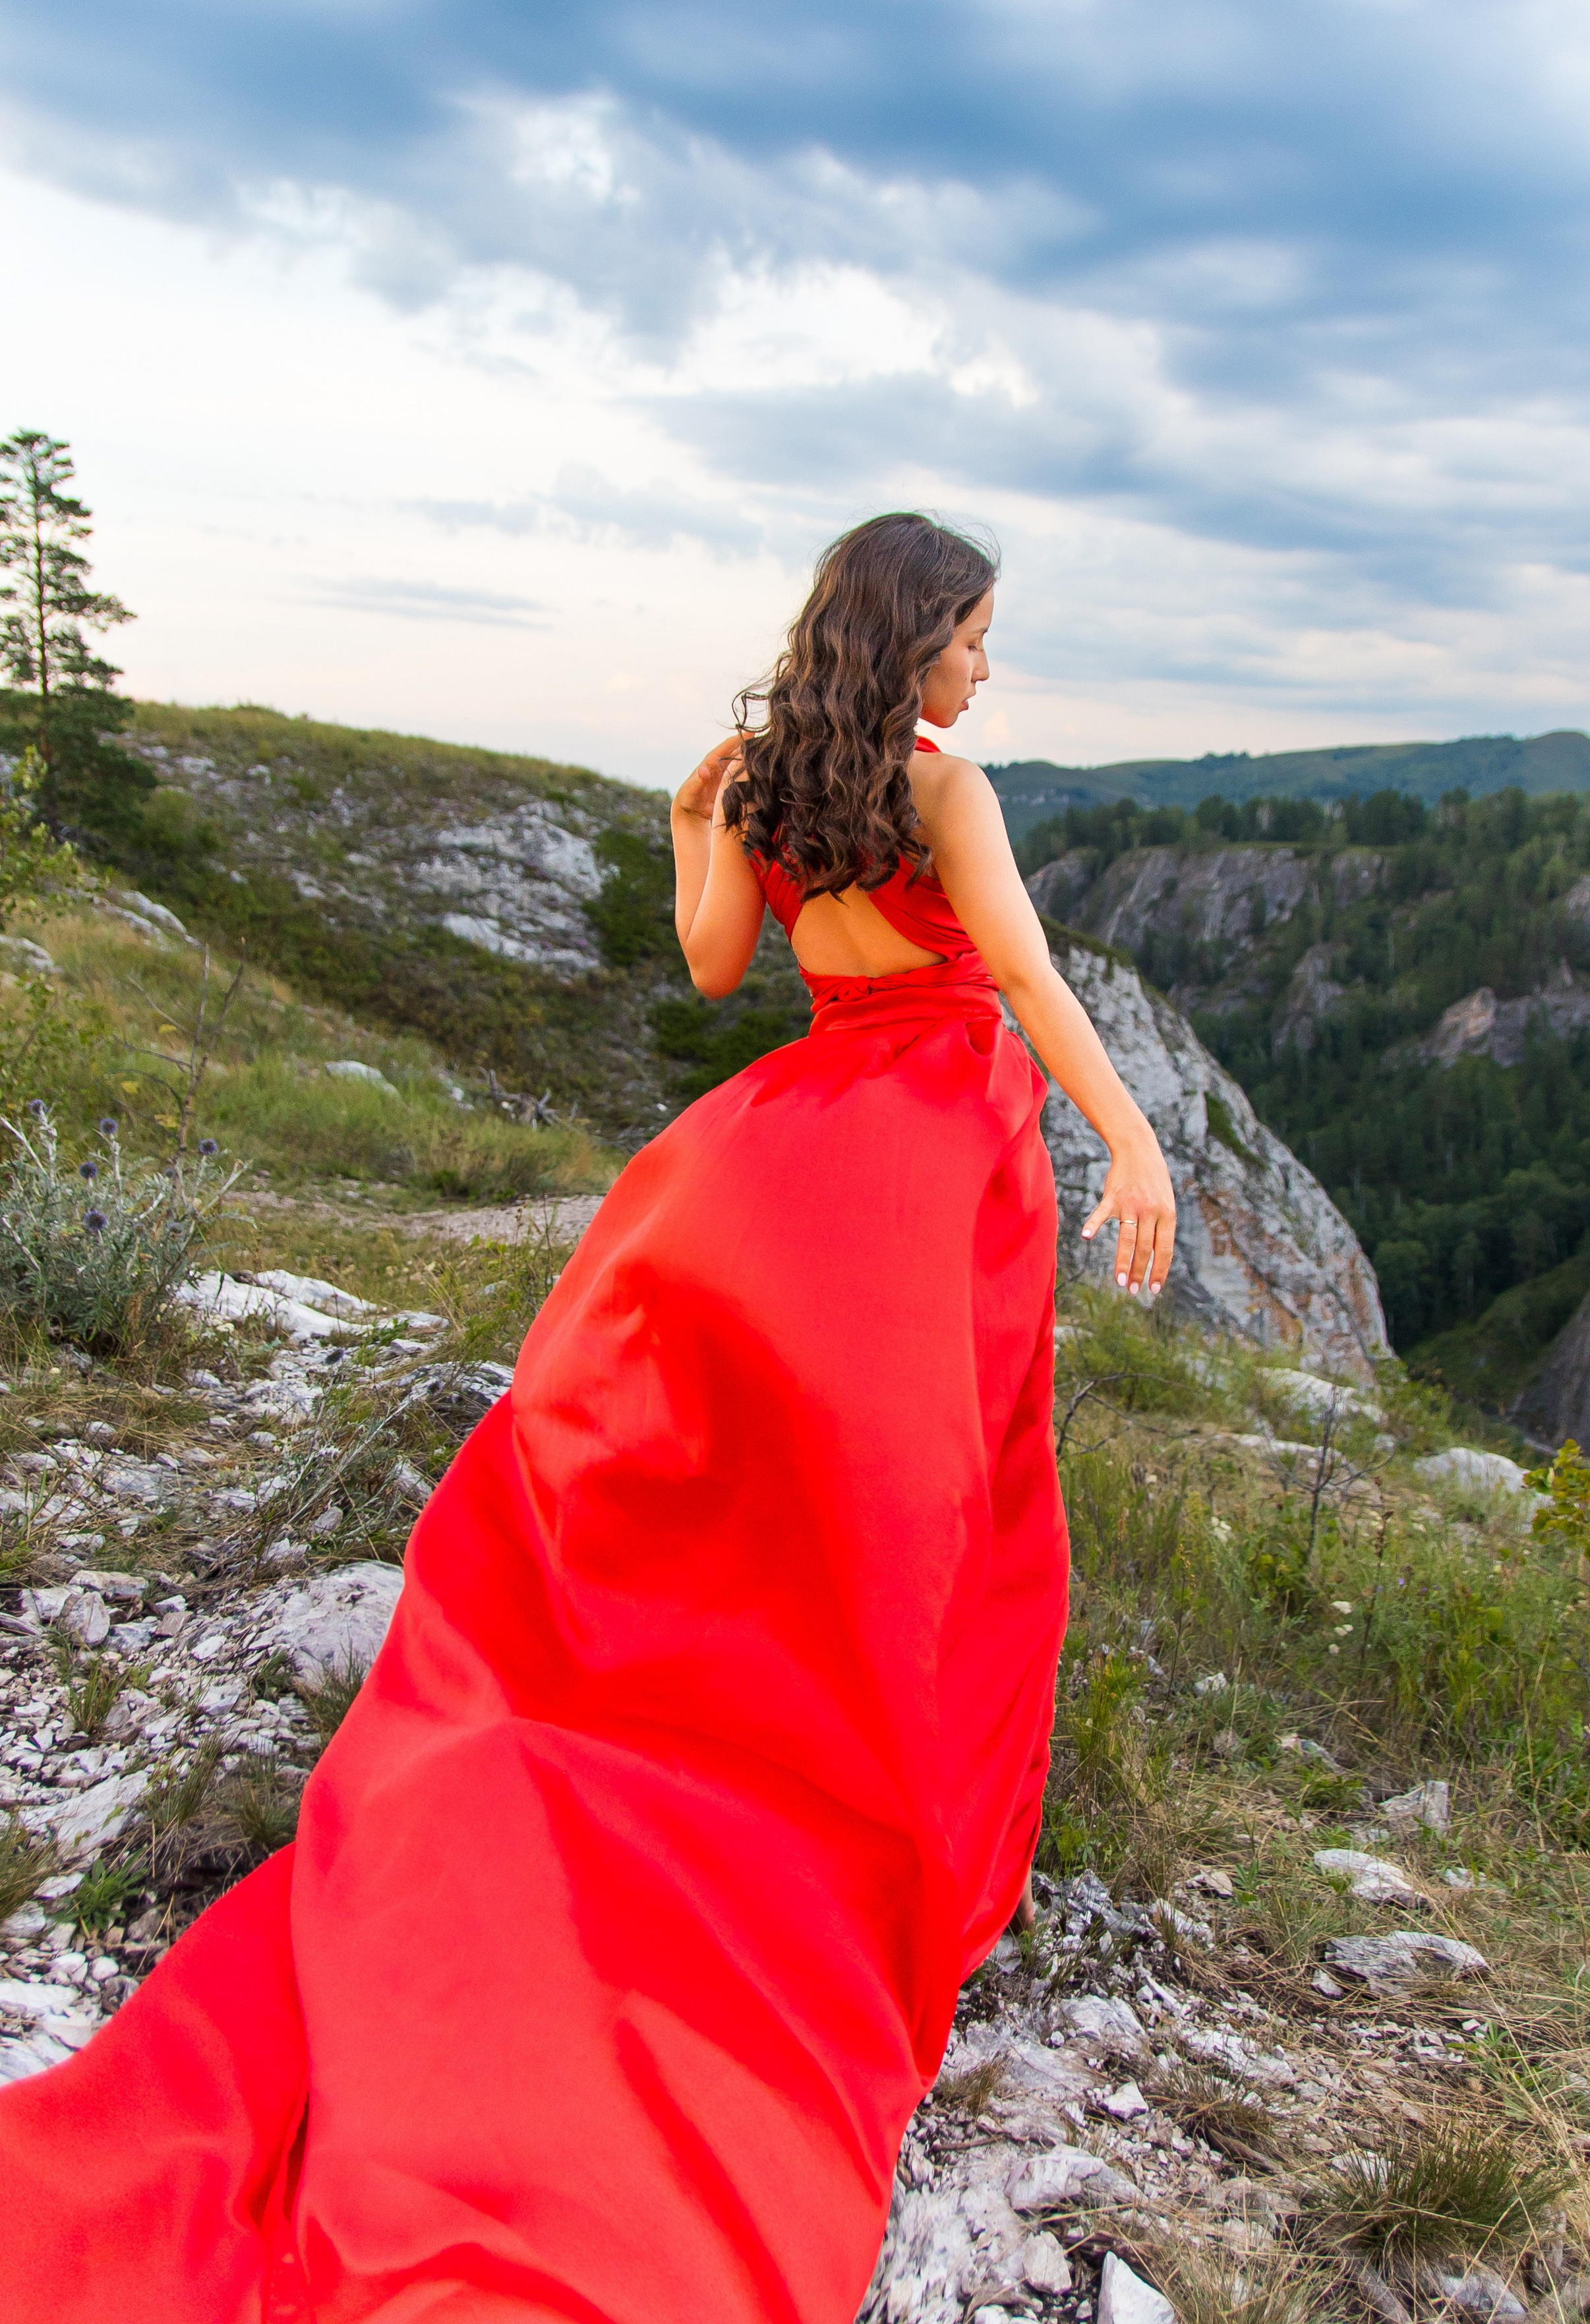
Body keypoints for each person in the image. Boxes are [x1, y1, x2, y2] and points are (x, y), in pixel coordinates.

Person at [0, 512, 1174, 2323]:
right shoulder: (954, 790)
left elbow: (718, 973)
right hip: (926, 1165)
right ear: (918, 638)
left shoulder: (767, 779)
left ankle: (688, 1740)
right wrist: (1136, 1135)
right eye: (976, 640)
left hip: (765, 1162)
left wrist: (690, 827)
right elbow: (1017, 976)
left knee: (742, 1497)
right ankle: (858, 1824)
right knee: (930, 1514)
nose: (986, 671)